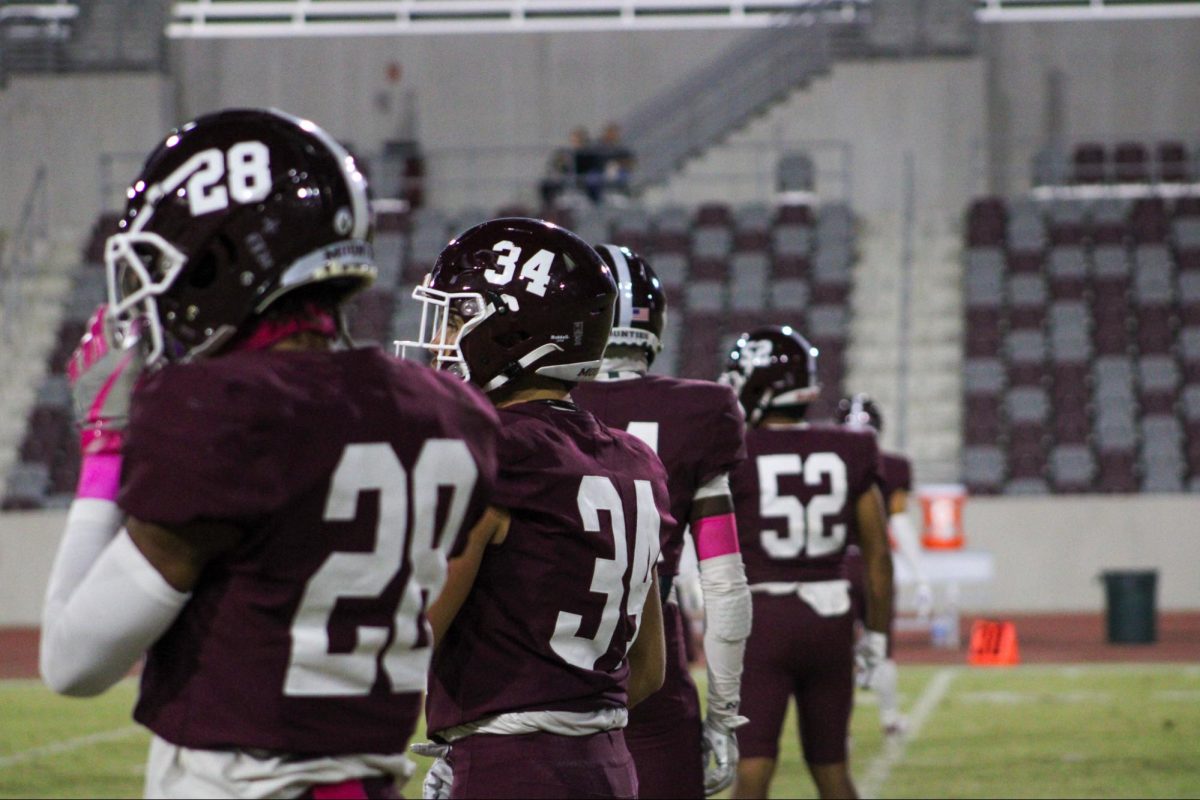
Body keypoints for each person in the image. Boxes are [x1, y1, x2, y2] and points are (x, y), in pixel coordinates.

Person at [38, 108, 501, 799]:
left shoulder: (221, 408)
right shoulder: (450, 410)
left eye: (170, 267)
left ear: (222, 263)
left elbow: (74, 661)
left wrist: (104, 447)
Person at [397, 218, 672, 799]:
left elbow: (409, 638)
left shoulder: (495, 450)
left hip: (507, 767)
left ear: (511, 333)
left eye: (456, 317)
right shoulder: (636, 462)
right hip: (609, 765)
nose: (441, 339)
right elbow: (647, 672)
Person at [572, 245, 752, 798]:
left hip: (540, 653)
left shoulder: (516, 405)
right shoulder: (699, 412)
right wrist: (723, 716)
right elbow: (724, 584)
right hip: (651, 649)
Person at [719, 326, 893, 800]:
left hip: (764, 621)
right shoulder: (852, 448)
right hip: (831, 619)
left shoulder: (736, 450)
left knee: (753, 767)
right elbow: (877, 554)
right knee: (832, 768)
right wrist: (878, 633)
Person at [835, 393, 932, 738]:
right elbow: (900, 524)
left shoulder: (826, 459)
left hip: (833, 567)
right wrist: (922, 578)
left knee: (836, 653)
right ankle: (889, 717)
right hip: (875, 564)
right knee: (883, 643)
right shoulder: (893, 466)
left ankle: (837, 727)